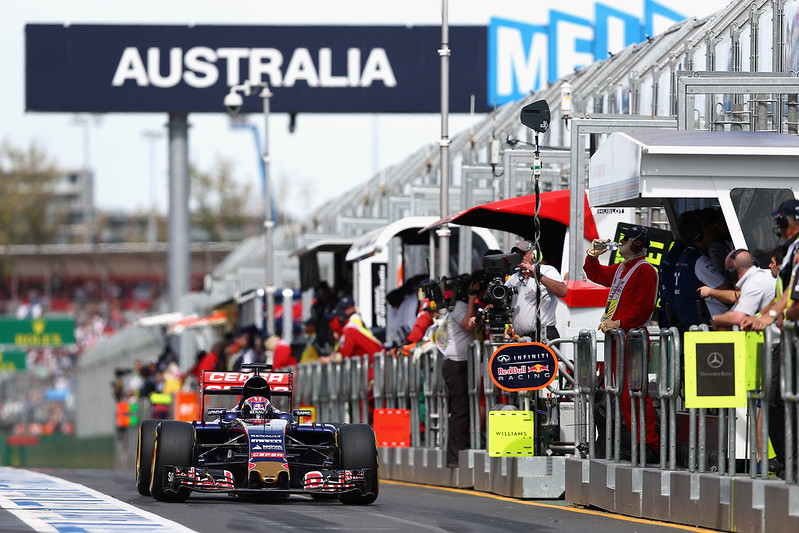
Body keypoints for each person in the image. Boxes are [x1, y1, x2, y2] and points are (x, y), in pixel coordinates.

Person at [584, 225, 660, 461]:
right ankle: (634, 441)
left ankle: (649, 444)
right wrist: (592, 257)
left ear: (638, 245)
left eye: (626, 239)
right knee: (619, 393)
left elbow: (644, 307)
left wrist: (620, 323)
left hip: (633, 338)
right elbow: (597, 275)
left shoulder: (645, 270)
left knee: (634, 393)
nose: (622, 243)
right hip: (619, 339)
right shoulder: (622, 269)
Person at [442, 272, 481, 468]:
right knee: (460, 411)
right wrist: (473, 299)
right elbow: (468, 324)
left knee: (465, 408)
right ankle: (454, 457)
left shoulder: (465, 306)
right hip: (456, 364)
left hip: (464, 362)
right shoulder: (459, 307)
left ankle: (460, 451)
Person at [673, 209, 729, 331]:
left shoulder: (686, 256)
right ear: (696, 233)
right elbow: (726, 291)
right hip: (710, 327)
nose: (712, 229)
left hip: (692, 325)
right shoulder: (699, 261)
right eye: (707, 226)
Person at [504, 240, 567, 342]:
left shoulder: (547, 270)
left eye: (523, 254)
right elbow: (502, 300)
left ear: (535, 255)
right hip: (522, 338)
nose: (520, 258)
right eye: (517, 254)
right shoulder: (514, 278)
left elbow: (563, 291)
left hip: (544, 336)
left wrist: (537, 275)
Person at [705, 249, 775, 331]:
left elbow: (738, 317)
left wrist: (715, 319)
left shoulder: (753, 282)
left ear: (731, 272)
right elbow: (733, 312)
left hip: (775, 340)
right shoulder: (760, 276)